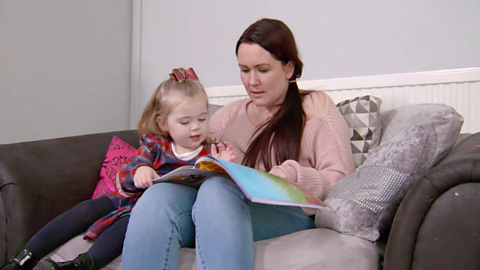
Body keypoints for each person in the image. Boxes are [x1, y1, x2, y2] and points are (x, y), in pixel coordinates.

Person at [121, 18, 356, 270]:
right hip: (223, 210)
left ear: (289, 69)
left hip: (289, 213)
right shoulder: (231, 114)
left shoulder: (315, 107)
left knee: (218, 191)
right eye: (244, 70)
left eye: (262, 70)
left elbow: (343, 179)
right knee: (159, 196)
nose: (251, 81)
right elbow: (185, 147)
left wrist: (289, 175)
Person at [1, 68, 235, 270]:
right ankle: (23, 257)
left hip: (148, 212)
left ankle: (84, 263)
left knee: (128, 226)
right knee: (86, 209)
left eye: (203, 119)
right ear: (164, 123)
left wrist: (223, 165)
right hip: (126, 198)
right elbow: (126, 172)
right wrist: (140, 171)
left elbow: (212, 198)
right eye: (185, 122)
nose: (196, 127)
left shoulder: (208, 153)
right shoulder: (156, 145)